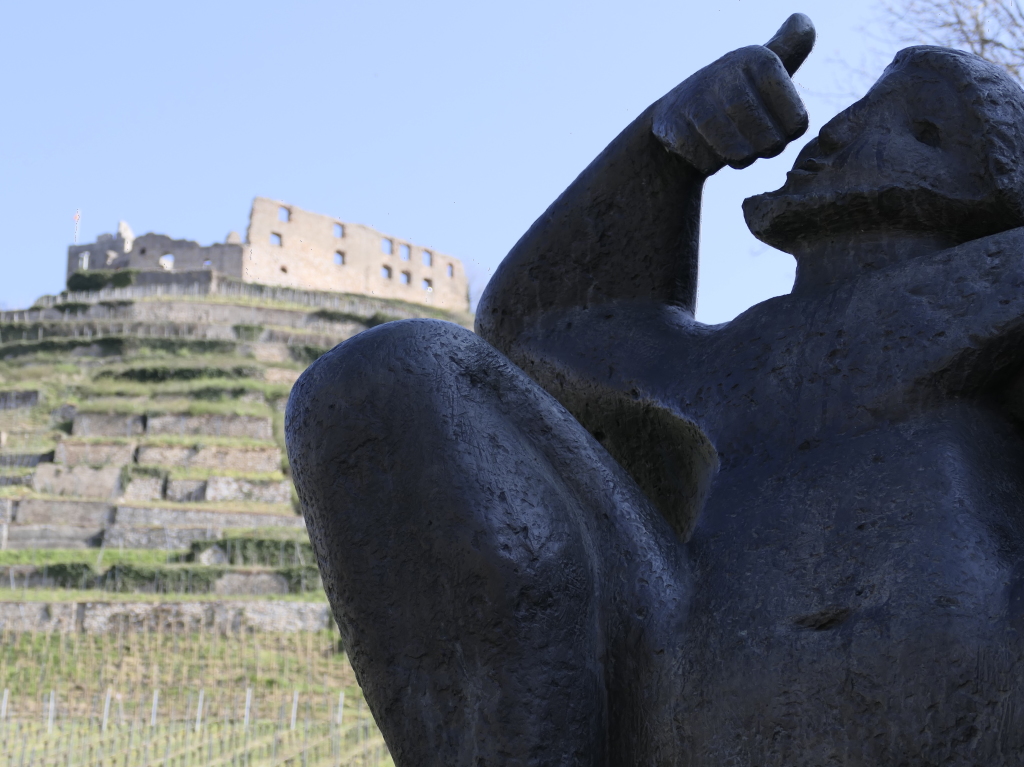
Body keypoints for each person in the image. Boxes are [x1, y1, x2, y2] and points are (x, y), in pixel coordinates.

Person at [287, 14, 1024, 765]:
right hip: (680, 678)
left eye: (916, 127)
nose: (835, 136)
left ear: (978, 190)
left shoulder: (1001, 293)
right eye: (854, 113)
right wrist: (669, 149)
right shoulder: (730, 362)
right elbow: (545, 325)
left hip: (952, 696)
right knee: (391, 370)